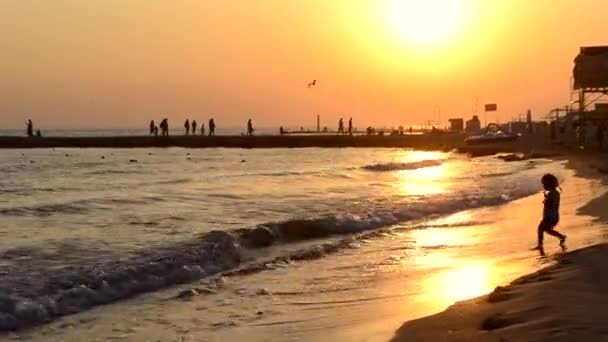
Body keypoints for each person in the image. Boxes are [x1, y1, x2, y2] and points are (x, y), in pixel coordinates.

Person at [534, 173, 566, 250]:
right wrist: (547, 197)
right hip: (552, 216)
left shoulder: (553, 193)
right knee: (547, 230)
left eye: (544, 184)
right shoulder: (555, 193)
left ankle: (540, 245)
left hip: (550, 217)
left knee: (541, 229)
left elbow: (551, 203)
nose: (543, 186)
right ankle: (561, 237)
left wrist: (546, 200)